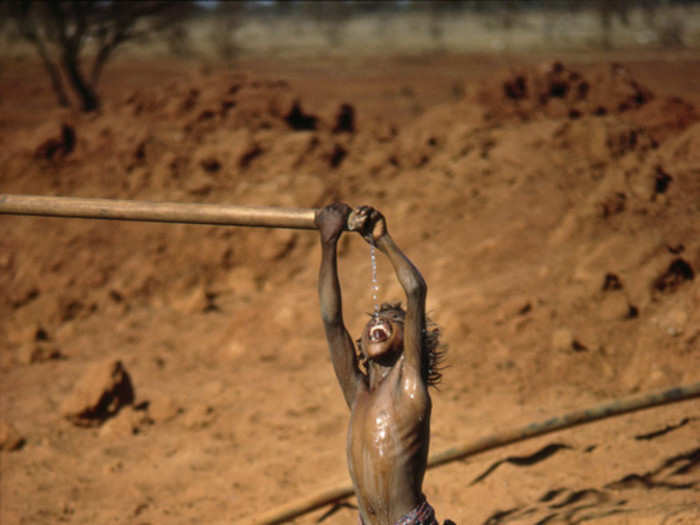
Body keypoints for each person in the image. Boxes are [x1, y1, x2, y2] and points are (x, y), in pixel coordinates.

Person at [316, 203, 449, 525]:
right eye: (376, 317)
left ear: (410, 341)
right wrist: (328, 243)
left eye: (394, 320)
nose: (380, 320)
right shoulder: (357, 392)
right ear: (359, 345)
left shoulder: (408, 385)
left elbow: (415, 290)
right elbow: (331, 320)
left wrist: (384, 239)